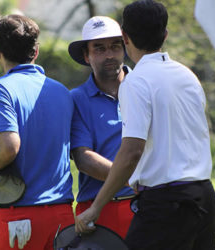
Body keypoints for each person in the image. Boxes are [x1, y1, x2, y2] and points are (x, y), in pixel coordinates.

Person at [75, 1, 215, 249]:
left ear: (125, 37)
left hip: (165, 202)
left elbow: (132, 152)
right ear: (165, 34)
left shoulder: (135, 82)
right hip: (204, 194)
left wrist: (96, 207)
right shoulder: (187, 75)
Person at [0, 14, 75, 250]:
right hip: (63, 216)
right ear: (35, 51)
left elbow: (8, 146)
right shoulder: (63, 92)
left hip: (17, 219)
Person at [68, 16, 135, 239]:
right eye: (99, 48)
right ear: (86, 56)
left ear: (124, 48)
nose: (109, 55)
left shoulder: (144, 86)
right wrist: (131, 178)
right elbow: (84, 158)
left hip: (148, 204)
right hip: (99, 212)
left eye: (115, 47)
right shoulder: (76, 99)